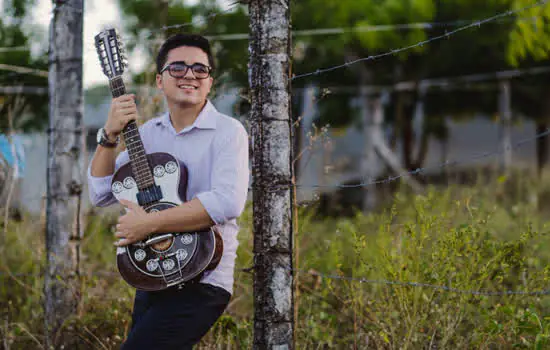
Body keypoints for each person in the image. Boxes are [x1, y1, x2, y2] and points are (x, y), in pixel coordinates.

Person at [87, 33, 249, 349]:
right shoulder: (146, 135)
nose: (189, 75)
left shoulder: (229, 132)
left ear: (210, 82)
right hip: (151, 273)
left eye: (199, 69)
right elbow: (102, 193)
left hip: (204, 278)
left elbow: (228, 201)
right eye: (177, 67)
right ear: (160, 81)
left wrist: (150, 223)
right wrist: (109, 135)